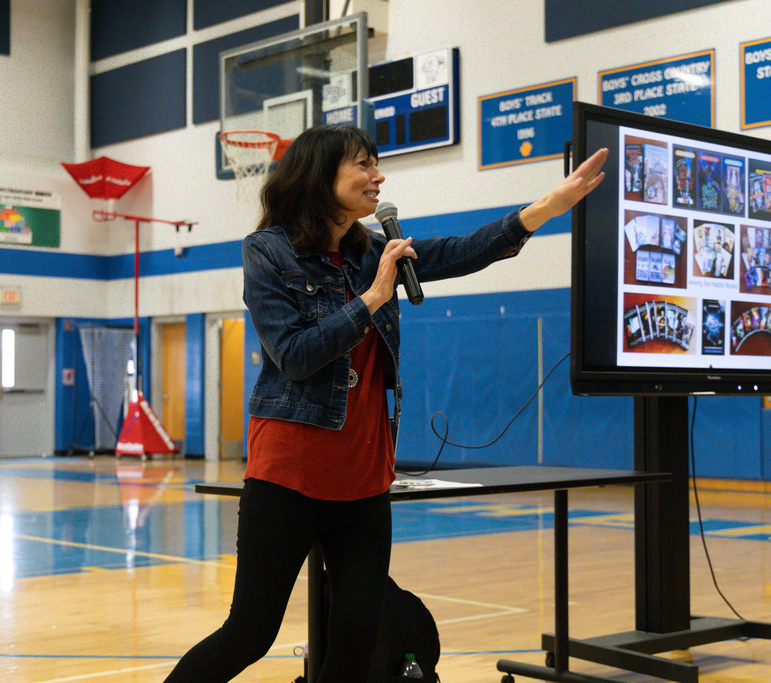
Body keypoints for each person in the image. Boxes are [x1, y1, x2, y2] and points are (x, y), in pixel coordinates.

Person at [165, 125, 608, 682]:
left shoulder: (373, 248)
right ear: (321, 175)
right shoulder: (269, 252)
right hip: (289, 478)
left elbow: (462, 251)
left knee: (355, 641)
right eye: (363, 165)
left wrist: (547, 206)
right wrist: (373, 298)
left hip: (365, 483)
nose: (378, 176)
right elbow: (295, 356)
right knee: (250, 634)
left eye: (378, 166)